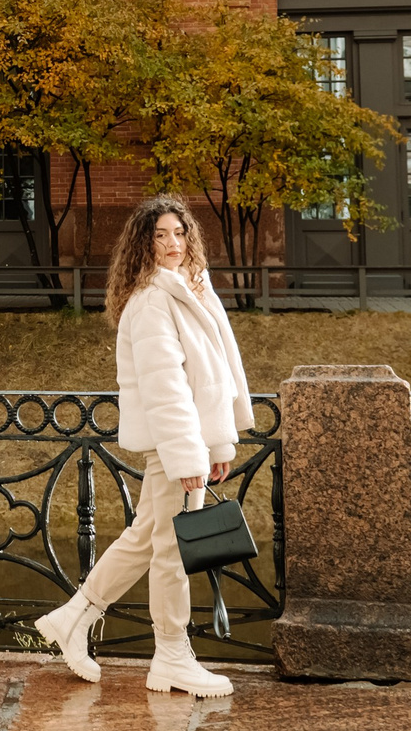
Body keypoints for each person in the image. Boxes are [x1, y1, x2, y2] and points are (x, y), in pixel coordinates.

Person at [32, 194, 252, 697]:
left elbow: (210, 376)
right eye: (161, 236)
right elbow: (166, 388)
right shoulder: (155, 300)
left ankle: (72, 618)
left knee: (146, 538)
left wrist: (216, 443)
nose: (173, 243)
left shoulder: (188, 289)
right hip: (175, 445)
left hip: (188, 443)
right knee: (171, 550)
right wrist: (187, 455)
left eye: (180, 233)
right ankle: (171, 655)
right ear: (143, 244)